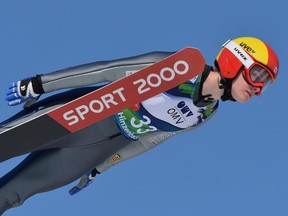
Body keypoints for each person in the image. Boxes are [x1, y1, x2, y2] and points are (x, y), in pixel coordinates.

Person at [0, 37, 279, 214]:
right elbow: (106, 70)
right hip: (83, 116)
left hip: (95, 150)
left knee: (13, 194)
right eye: (257, 75)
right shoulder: (179, 67)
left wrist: (100, 167)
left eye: (265, 83)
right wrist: (39, 84)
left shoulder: (205, 113)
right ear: (235, 62)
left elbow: (149, 140)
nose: (258, 89)